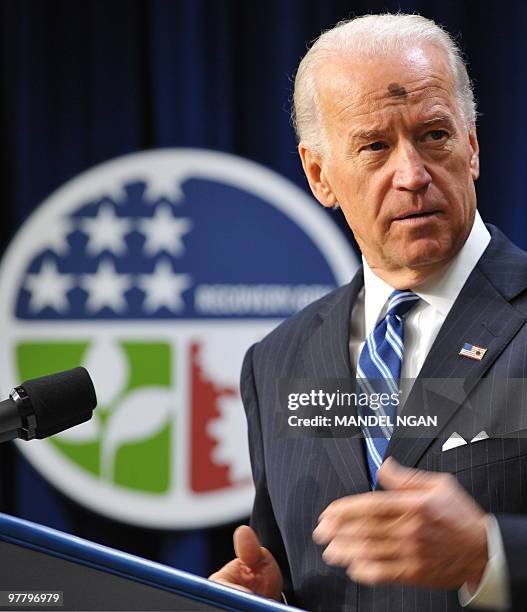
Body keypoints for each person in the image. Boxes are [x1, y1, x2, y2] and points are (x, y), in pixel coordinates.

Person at [209, 13, 527, 611]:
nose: (411, 175)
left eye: (434, 135)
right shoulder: (276, 362)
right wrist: (263, 599)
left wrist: (491, 554)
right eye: (375, 146)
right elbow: (288, 560)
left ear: (473, 146)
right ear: (319, 174)